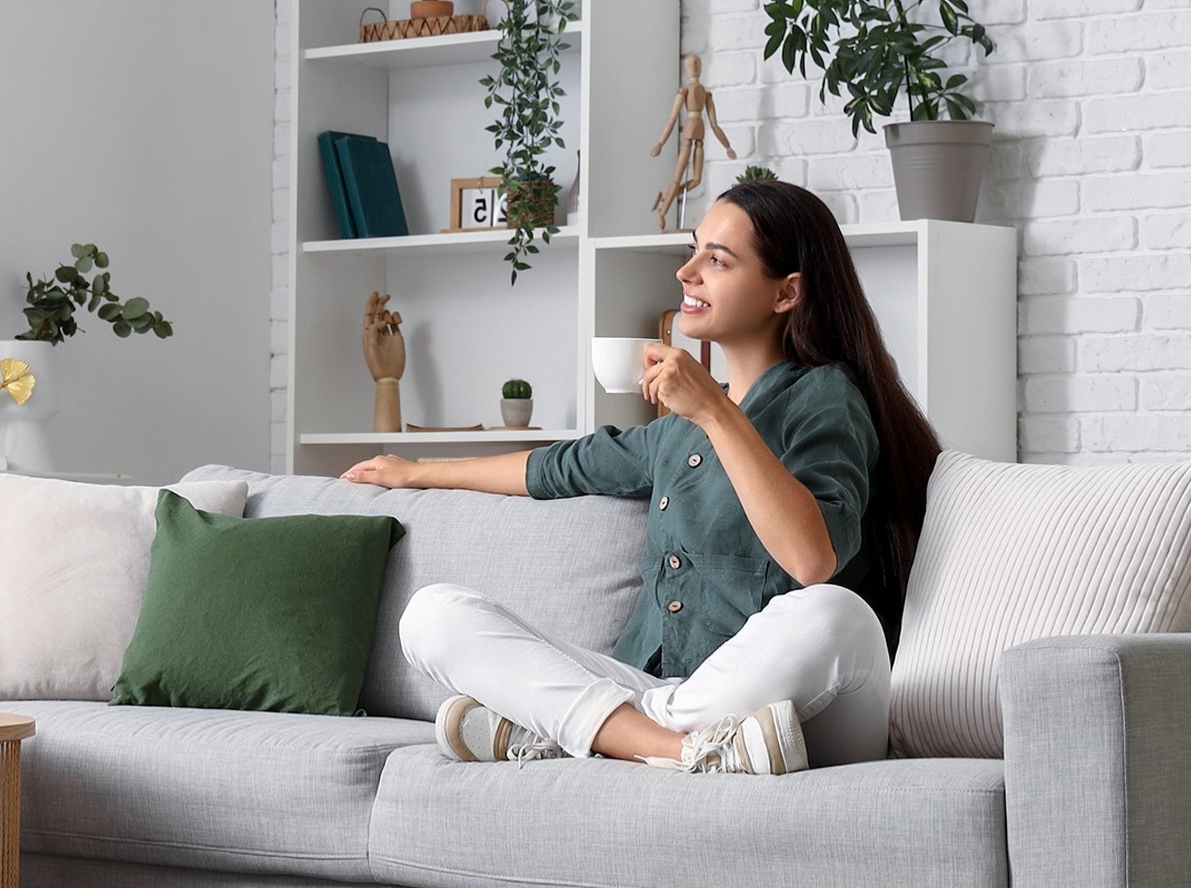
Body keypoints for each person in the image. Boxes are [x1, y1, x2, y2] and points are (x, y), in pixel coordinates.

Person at [340, 179, 940, 776]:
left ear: (786, 293)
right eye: (693, 251)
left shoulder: (824, 397)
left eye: (717, 259)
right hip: (665, 692)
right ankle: (680, 749)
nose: (687, 273)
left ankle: (590, 730)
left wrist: (713, 409)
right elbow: (555, 467)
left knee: (835, 614)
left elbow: (813, 559)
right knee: (432, 616)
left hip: (792, 706)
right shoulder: (676, 431)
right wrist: (416, 469)